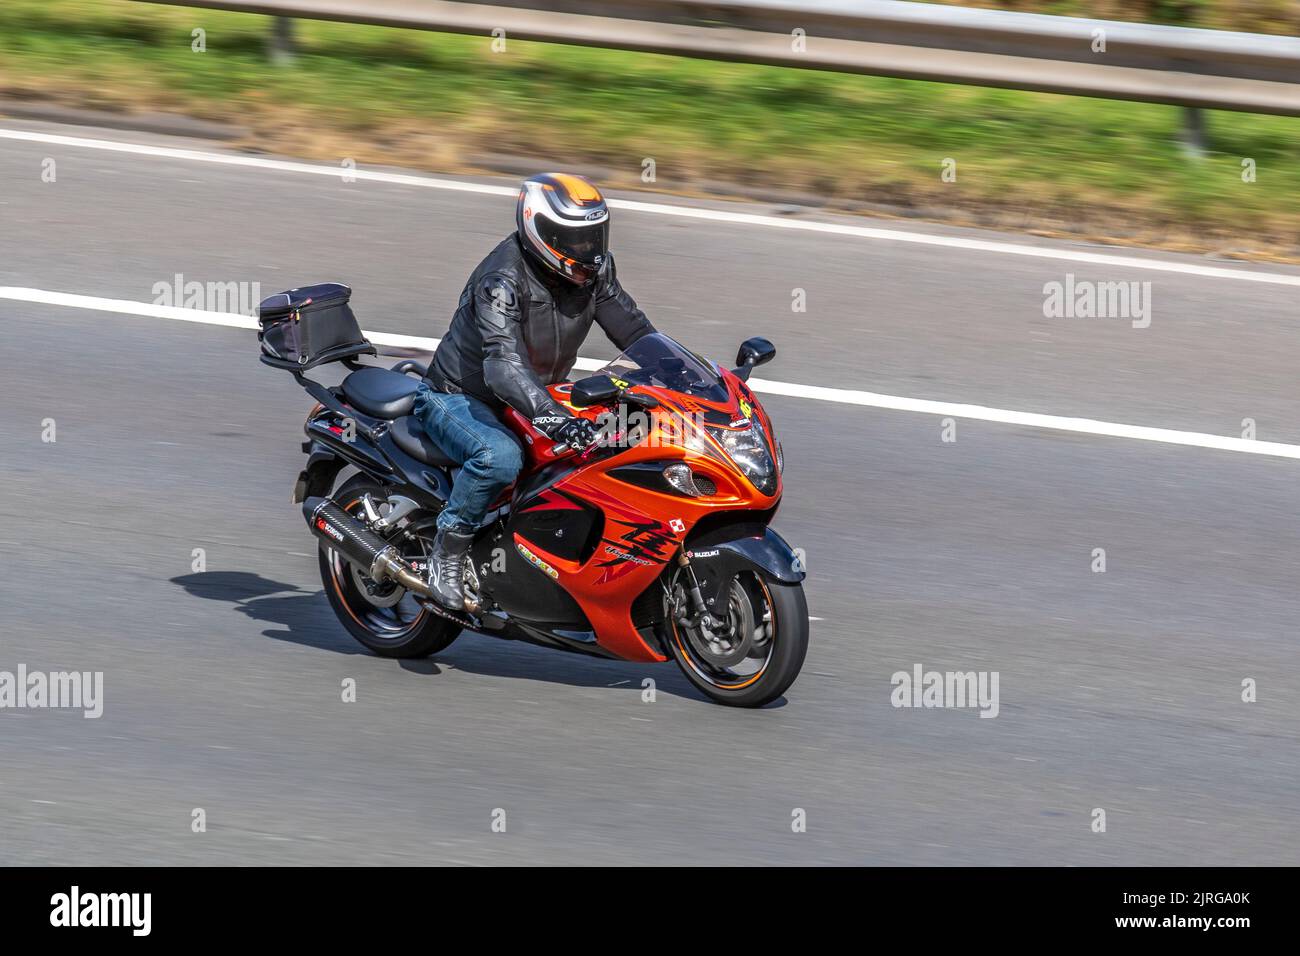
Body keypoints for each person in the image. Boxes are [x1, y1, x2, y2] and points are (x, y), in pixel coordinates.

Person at [414, 173, 656, 609]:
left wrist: (683, 373)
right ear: (539, 230)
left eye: (593, 237)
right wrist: (553, 418)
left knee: (624, 437)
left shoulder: (593, 271)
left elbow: (634, 328)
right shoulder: (502, 281)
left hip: (538, 393)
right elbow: (502, 367)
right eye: (574, 239)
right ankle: (445, 555)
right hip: (462, 397)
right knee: (499, 459)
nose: (588, 250)